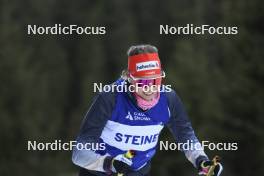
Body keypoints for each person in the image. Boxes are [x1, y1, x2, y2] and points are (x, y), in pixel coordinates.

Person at [72, 44, 223, 176]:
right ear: (129, 79)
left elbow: (185, 136)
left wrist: (201, 161)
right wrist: (109, 164)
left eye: (155, 81)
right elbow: (79, 154)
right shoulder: (110, 98)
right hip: (98, 173)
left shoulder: (168, 99)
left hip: (139, 172)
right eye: (142, 82)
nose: (149, 88)